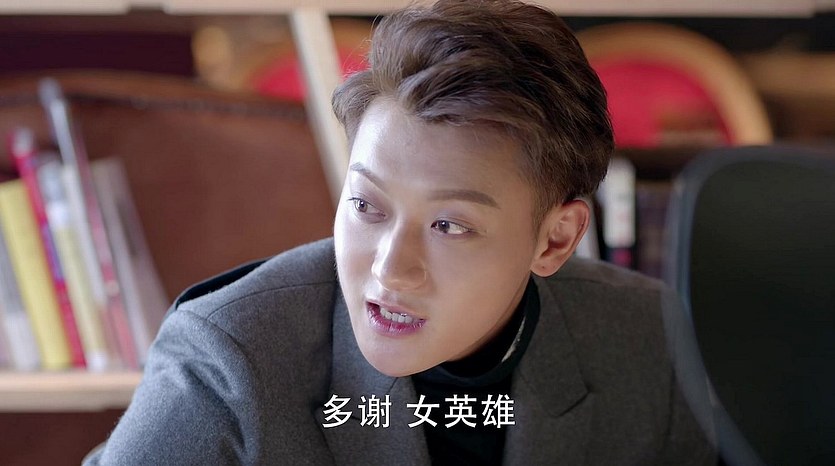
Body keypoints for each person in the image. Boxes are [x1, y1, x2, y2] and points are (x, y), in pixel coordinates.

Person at [84, 0, 715, 464]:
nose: (390, 269)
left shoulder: (642, 337)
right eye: (367, 205)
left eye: (449, 224)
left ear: (555, 240)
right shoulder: (228, 358)